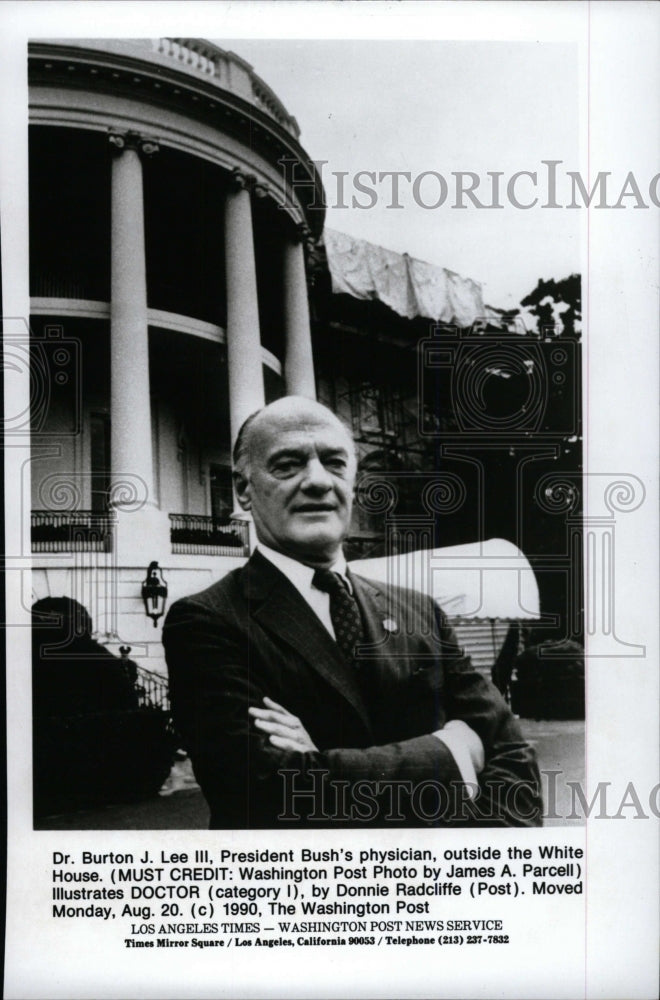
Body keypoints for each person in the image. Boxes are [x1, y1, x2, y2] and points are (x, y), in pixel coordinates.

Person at [163, 397, 541, 828]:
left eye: (334, 462)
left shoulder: (420, 611)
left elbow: (513, 758)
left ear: (355, 481)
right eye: (288, 464)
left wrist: (482, 873)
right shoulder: (207, 621)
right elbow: (261, 790)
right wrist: (454, 754)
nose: (318, 481)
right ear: (244, 489)